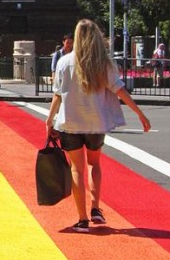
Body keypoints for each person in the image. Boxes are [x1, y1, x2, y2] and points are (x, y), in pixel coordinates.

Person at [45, 19, 151, 233]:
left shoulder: (65, 62)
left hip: (71, 123)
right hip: (96, 122)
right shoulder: (104, 63)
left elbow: (58, 95)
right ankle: (95, 208)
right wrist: (140, 114)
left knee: (76, 168)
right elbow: (120, 90)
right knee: (94, 164)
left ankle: (82, 219)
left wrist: (50, 120)